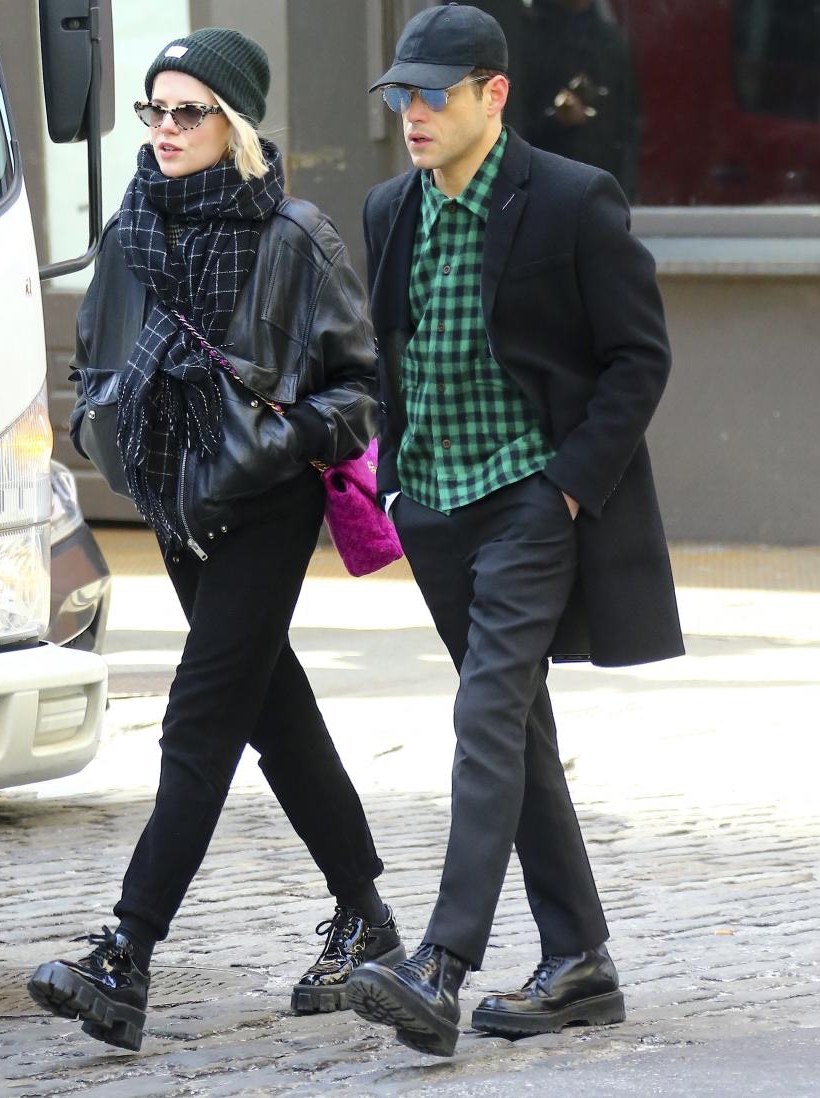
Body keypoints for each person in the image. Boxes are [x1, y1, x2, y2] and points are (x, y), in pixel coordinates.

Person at [27, 28, 404, 1052]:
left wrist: (283, 438)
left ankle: (126, 955)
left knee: (198, 722)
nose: (164, 129)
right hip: (178, 509)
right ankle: (368, 921)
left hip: (264, 505)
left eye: (186, 111)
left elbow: (359, 390)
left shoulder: (293, 234)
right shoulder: (130, 231)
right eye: (153, 110)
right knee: (270, 708)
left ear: (233, 122)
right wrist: (104, 425)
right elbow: (94, 358)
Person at [346, 3, 682, 1058]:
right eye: (403, 92)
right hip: (436, 506)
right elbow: (393, 348)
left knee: (486, 715)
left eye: (435, 93)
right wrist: (398, 481)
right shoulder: (389, 208)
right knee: (519, 728)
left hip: (531, 499)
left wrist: (569, 489)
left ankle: (440, 962)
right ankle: (580, 960)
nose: (413, 111)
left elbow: (640, 358)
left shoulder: (575, 201)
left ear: (494, 94)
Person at [519, 0, 640, 200]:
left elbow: (628, 125)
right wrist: (556, 120)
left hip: (603, 189)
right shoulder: (528, 37)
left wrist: (626, 193)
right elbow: (514, 121)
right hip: (543, 189)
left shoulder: (611, 41)